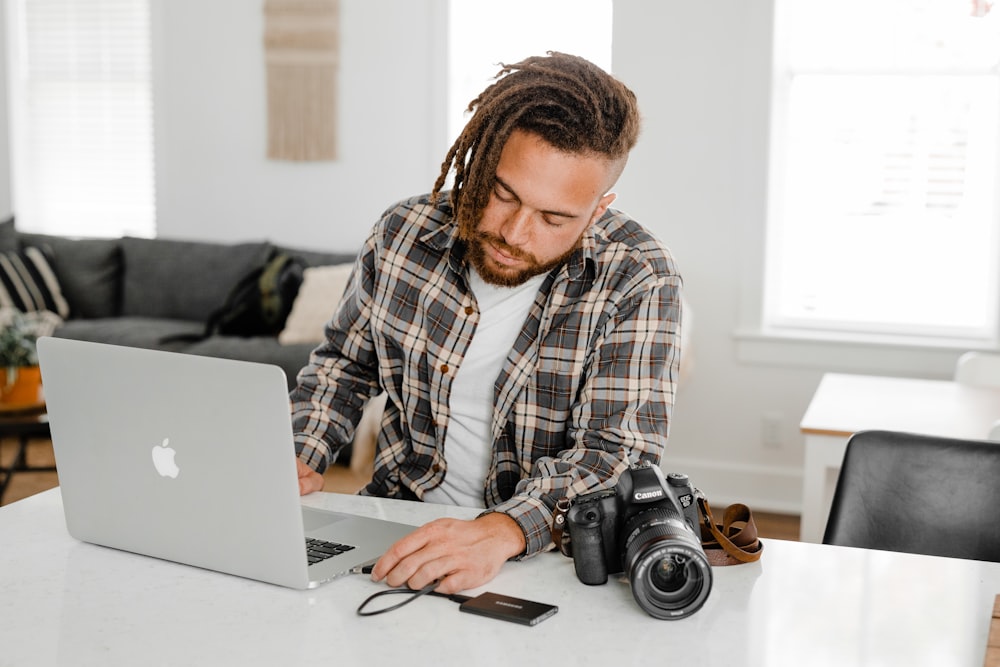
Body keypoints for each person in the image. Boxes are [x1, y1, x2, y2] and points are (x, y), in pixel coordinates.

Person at [291, 52, 683, 595]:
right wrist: (300, 454)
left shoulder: (638, 278)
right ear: (479, 163)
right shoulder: (403, 233)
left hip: (547, 557)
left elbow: (615, 451)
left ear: (598, 211)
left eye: (554, 218)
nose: (516, 233)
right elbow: (346, 365)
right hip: (391, 530)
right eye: (504, 193)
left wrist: (499, 532)